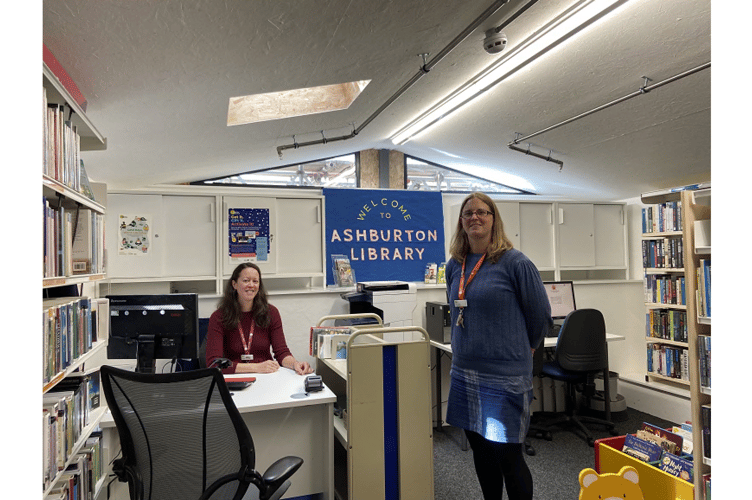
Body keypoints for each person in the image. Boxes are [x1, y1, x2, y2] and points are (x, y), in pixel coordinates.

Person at [445, 192, 552, 500]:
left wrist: (526, 348)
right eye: (468, 213)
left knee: (508, 456)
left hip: (504, 376)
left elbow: (540, 316)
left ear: (494, 219)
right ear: (461, 222)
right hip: (465, 373)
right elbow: (456, 309)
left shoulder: (515, 262)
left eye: (482, 212)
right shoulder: (455, 265)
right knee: (480, 449)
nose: (474, 217)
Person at [206, 262, 313, 375]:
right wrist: (256, 367)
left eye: (255, 281)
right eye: (246, 280)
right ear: (234, 284)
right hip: (235, 378)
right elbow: (214, 363)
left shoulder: (271, 312)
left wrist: (295, 364)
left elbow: (281, 352)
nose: (251, 285)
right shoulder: (219, 317)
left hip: (267, 376)